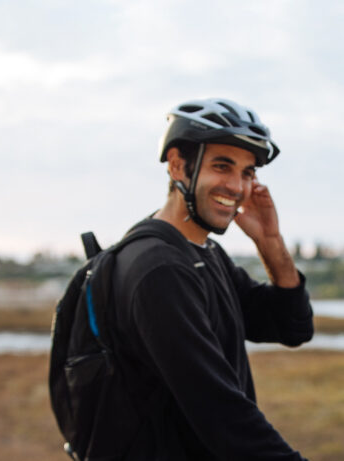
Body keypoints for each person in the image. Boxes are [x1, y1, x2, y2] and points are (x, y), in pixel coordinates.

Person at [110, 98, 313, 460]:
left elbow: (291, 326)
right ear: (177, 166)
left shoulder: (203, 255)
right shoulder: (160, 269)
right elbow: (221, 414)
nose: (237, 186)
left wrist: (269, 241)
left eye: (248, 173)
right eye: (223, 166)